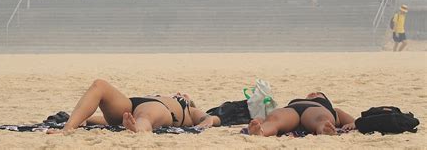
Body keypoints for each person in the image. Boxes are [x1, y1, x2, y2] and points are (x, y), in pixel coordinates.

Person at [47, 79, 220, 134]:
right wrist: (84, 119)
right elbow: (103, 120)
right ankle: (68, 128)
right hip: (132, 104)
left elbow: (207, 118)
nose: (180, 93)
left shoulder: (188, 108)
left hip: (163, 111)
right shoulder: (164, 96)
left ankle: (137, 129)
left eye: (184, 95)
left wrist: (205, 123)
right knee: (99, 85)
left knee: (145, 118)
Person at [247, 92, 355, 137]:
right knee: (274, 118)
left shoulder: (332, 109)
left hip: (314, 110)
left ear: (326, 101)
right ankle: (261, 131)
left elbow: (353, 121)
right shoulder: (297, 101)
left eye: (319, 94)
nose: (314, 93)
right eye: (311, 94)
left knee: (322, 119)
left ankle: (324, 129)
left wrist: (352, 123)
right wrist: (260, 121)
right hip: (291, 110)